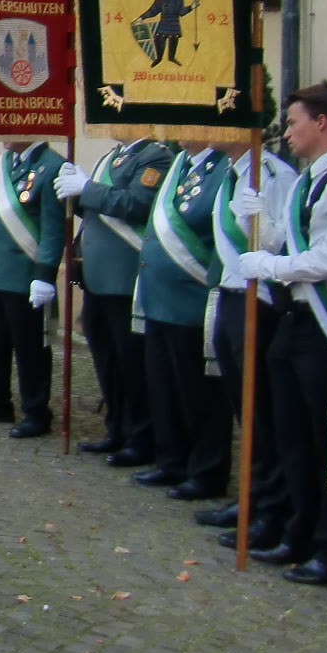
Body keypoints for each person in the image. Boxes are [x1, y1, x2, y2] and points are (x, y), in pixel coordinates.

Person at [235, 81, 327, 587]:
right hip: (297, 320)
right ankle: (300, 533)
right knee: (292, 437)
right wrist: (257, 221)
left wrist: (271, 266)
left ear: (323, 122)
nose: (287, 131)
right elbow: (289, 240)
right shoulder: (305, 181)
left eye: (295, 121)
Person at [55, 135, 173, 464]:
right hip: (98, 278)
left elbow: (136, 204)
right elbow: (94, 208)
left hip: (126, 278)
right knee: (107, 361)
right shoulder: (112, 157)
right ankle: (117, 428)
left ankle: (141, 437)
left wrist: (87, 188)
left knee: (131, 363)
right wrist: (72, 193)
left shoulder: (155, 157)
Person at [207, 136, 299, 548]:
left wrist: (256, 223)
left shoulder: (273, 175)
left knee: (263, 412)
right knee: (244, 410)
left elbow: (284, 244)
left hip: (259, 300)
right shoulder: (229, 174)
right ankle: (252, 495)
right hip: (230, 294)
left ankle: (271, 507)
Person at [132, 141, 230, 498]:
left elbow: (223, 237)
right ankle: (170, 460)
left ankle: (205, 471)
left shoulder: (223, 169)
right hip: (160, 299)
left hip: (192, 298)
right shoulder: (180, 165)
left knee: (199, 395)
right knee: (164, 387)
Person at [0, 136, 67, 439]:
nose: (1, 134)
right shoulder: (2, 163)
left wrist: (45, 274)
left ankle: (36, 412)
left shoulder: (53, 166)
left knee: (30, 348)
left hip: (24, 273)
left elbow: (53, 227)